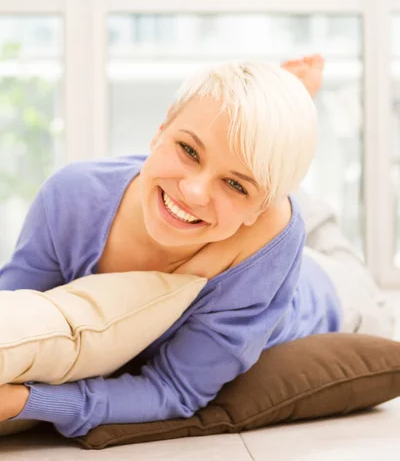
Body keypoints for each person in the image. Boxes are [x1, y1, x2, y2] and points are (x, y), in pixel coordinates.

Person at [0, 56, 394, 438]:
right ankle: (275, 122)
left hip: (333, 292)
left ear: (261, 207)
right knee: (252, 177)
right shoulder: (73, 198)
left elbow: (176, 389)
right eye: (188, 150)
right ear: (160, 130)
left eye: (235, 184)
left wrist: (26, 402)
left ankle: (287, 116)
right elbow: (13, 308)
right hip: (249, 220)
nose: (193, 190)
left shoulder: (273, 231)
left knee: (329, 238)